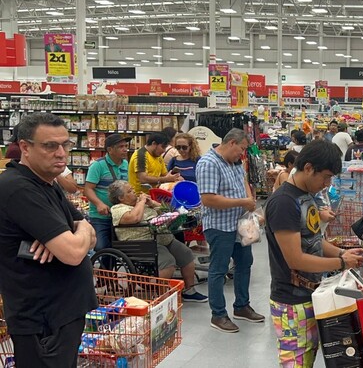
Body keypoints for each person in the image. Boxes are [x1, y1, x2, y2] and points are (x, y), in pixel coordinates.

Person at [0, 112, 97, 366]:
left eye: (65, 144)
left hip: (60, 315)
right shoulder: (19, 188)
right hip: (42, 320)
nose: (61, 153)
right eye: (50, 146)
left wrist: (81, 230)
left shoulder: (47, 183)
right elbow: (74, 253)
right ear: (25, 147)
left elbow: (90, 233)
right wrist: (78, 233)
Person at [265, 140, 363, 367]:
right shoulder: (283, 202)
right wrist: (340, 262)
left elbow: (314, 240)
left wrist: (343, 252)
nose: (327, 183)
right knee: (297, 361)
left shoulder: (305, 195)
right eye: (326, 177)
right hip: (291, 301)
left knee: (309, 354)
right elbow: (295, 258)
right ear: (309, 168)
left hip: (311, 293)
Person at [197, 128, 264, 333]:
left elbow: (243, 180)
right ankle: (218, 314)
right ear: (232, 142)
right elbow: (208, 199)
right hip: (220, 226)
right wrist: (242, 201)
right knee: (219, 269)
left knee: (245, 263)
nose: (242, 154)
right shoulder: (208, 163)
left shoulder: (234, 162)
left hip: (241, 223)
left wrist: (250, 201)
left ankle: (241, 306)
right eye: (242, 149)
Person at [108, 180, 208, 301]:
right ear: (121, 198)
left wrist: (152, 203)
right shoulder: (118, 208)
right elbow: (134, 218)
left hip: (162, 237)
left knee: (186, 254)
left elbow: (167, 212)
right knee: (168, 261)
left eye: (133, 189)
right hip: (141, 243)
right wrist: (142, 201)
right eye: (130, 191)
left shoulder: (142, 204)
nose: (134, 192)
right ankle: (161, 296)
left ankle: (189, 291)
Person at [84, 133, 131, 254]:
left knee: (122, 247)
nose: (125, 149)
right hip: (101, 217)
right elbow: (88, 189)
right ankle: (105, 272)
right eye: (121, 146)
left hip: (120, 215)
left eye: (126, 146)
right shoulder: (97, 165)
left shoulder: (125, 164)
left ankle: (111, 271)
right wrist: (99, 204)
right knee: (102, 247)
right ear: (110, 149)